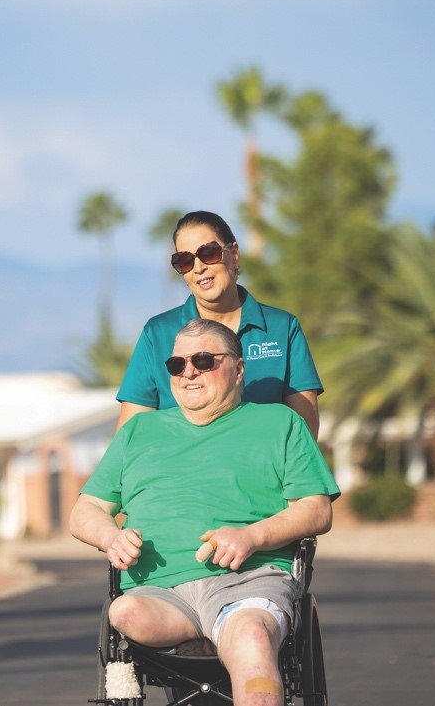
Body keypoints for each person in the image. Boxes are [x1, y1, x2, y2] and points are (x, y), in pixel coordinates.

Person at [72, 318, 339, 706]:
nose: (189, 372)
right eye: (177, 365)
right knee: (124, 612)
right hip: (158, 594)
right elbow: (86, 509)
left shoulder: (280, 424)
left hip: (247, 582)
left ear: (239, 368)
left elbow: (317, 509)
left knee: (250, 637)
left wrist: (251, 536)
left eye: (203, 360)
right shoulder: (138, 432)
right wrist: (109, 536)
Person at [116, 210, 322, 438]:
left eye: (208, 253)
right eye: (184, 260)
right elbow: (130, 435)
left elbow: (305, 432)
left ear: (234, 254)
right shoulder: (157, 334)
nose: (198, 267)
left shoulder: (282, 328)